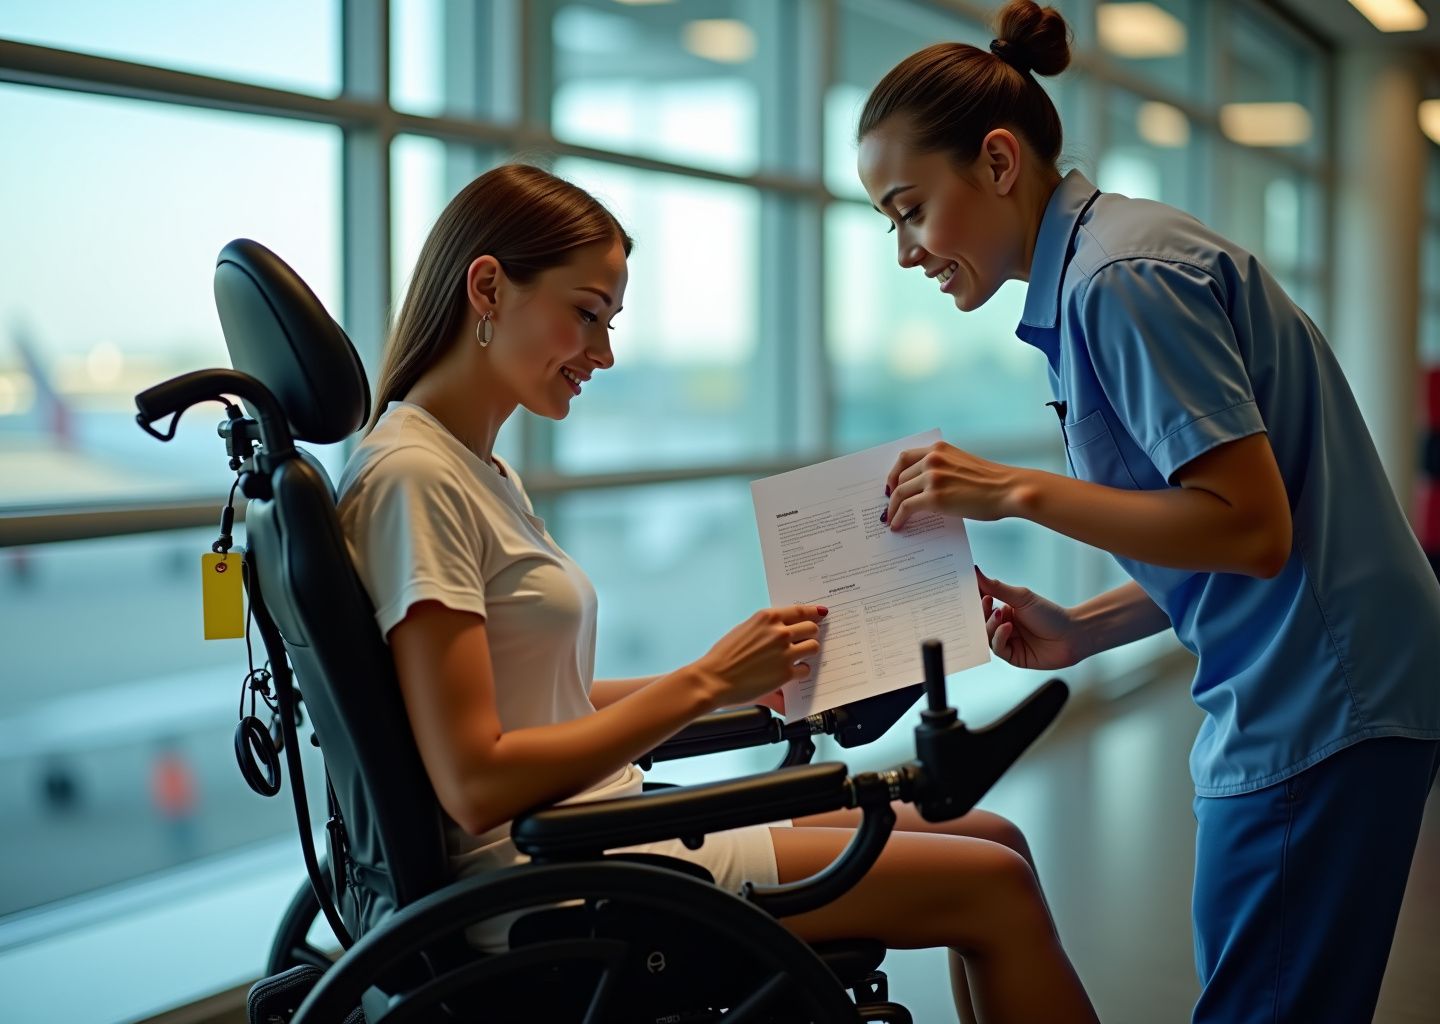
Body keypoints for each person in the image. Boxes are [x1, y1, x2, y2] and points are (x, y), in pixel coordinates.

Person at [336, 162, 1097, 1023]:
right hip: (554, 878)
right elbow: (477, 780)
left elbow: (535, 705)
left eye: (611, 322)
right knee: (992, 884)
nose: (604, 352)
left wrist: (732, 680)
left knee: (996, 842)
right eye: (586, 314)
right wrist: (704, 685)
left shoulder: (469, 467)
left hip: (595, 833)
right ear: (487, 286)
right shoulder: (416, 480)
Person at [859, 2, 1440, 1021]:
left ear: (998, 162)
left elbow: (1252, 529)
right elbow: (1218, 521)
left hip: (1322, 692)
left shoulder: (1119, 279)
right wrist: (1088, 626)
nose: (905, 248)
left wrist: (1013, 489)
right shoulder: (1105, 264)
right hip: (1305, 677)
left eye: (909, 208)